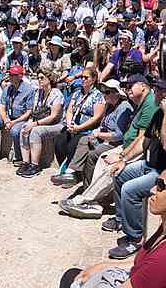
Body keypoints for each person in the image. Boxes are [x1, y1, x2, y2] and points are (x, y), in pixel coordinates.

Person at [59, 173, 166, 288]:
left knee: (70, 279)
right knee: (74, 274)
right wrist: (103, 265)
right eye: (155, 182)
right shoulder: (163, 228)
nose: (152, 190)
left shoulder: (162, 259)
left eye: (160, 186)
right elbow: (141, 264)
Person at [103, 76, 166, 259]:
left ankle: (135, 239)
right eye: (157, 89)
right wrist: (122, 159)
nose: (159, 94)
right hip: (148, 164)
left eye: (163, 91)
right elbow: (143, 142)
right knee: (120, 174)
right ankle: (122, 221)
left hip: (161, 172)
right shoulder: (157, 113)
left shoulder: (163, 114)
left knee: (131, 190)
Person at [59, 79, 135, 218]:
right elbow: (104, 124)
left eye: (107, 92)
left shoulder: (123, 107)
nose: (104, 95)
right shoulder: (109, 105)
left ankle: (90, 195)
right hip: (104, 138)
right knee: (83, 140)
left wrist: (99, 134)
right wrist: (98, 132)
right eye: (103, 91)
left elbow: (118, 135)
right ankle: (72, 173)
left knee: (93, 155)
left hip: (115, 143)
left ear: (117, 94)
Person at [52, 68, 107, 187]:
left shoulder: (98, 96)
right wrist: (69, 123)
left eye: (86, 77)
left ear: (93, 79)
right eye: (82, 77)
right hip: (73, 125)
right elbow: (70, 109)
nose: (83, 79)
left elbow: (96, 118)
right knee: (59, 142)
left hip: (87, 128)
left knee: (73, 145)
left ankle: (73, 175)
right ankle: (65, 172)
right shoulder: (77, 93)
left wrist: (79, 128)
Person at [0, 65, 37, 164]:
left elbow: (29, 111)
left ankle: (19, 157)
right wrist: (6, 120)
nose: (11, 77)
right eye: (10, 74)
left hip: (21, 119)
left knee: (15, 130)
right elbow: (2, 107)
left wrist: (13, 122)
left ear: (20, 76)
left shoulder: (29, 90)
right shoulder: (7, 89)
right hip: (8, 117)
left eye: (14, 75)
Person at [17, 70, 65, 177]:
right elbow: (35, 111)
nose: (39, 80)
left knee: (35, 131)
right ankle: (26, 162)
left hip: (57, 124)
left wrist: (34, 124)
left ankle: (35, 165)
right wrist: (30, 122)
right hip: (40, 121)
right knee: (24, 128)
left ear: (49, 79)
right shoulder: (38, 92)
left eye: (42, 78)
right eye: (38, 78)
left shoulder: (56, 93)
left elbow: (53, 117)